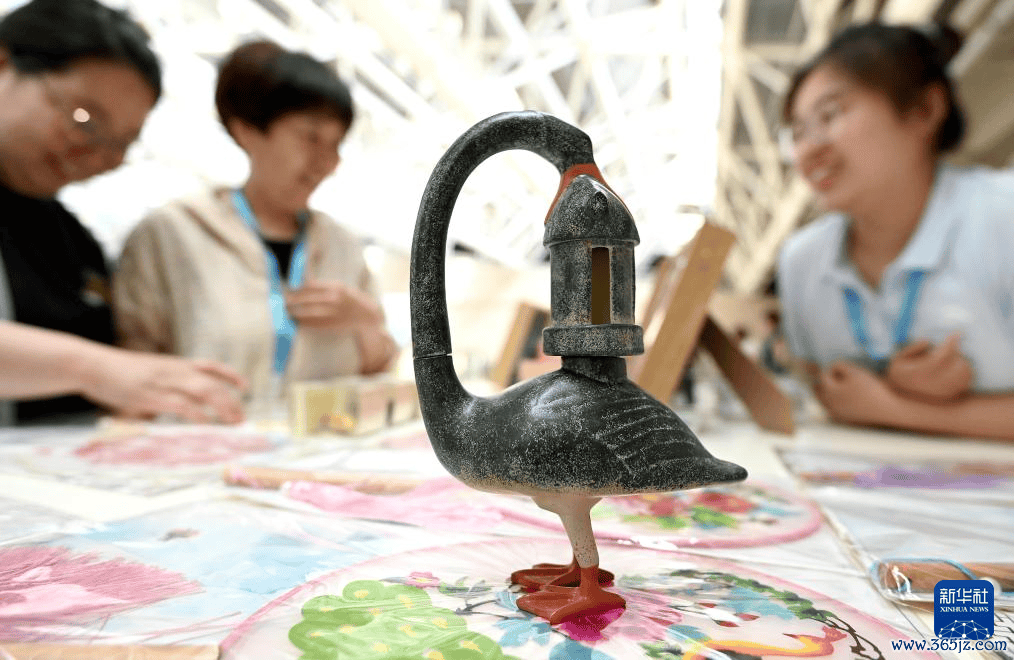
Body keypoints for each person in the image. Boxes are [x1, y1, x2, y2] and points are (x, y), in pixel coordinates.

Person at [0, 0, 245, 426]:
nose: (96, 156)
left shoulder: (73, 240)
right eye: (84, 119)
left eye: (120, 145)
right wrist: (92, 368)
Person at [114, 40, 397, 405]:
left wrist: (367, 321)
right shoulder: (172, 232)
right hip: (204, 437)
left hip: (326, 440)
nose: (327, 162)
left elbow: (380, 379)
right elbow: (130, 368)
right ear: (247, 131)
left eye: (336, 144)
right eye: (311, 137)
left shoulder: (343, 247)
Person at [778, 22, 1014, 441]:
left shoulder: (1002, 217)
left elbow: (858, 406)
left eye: (830, 115)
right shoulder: (801, 260)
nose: (809, 150)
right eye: (797, 132)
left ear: (924, 110)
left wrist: (893, 408)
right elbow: (822, 389)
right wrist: (888, 384)